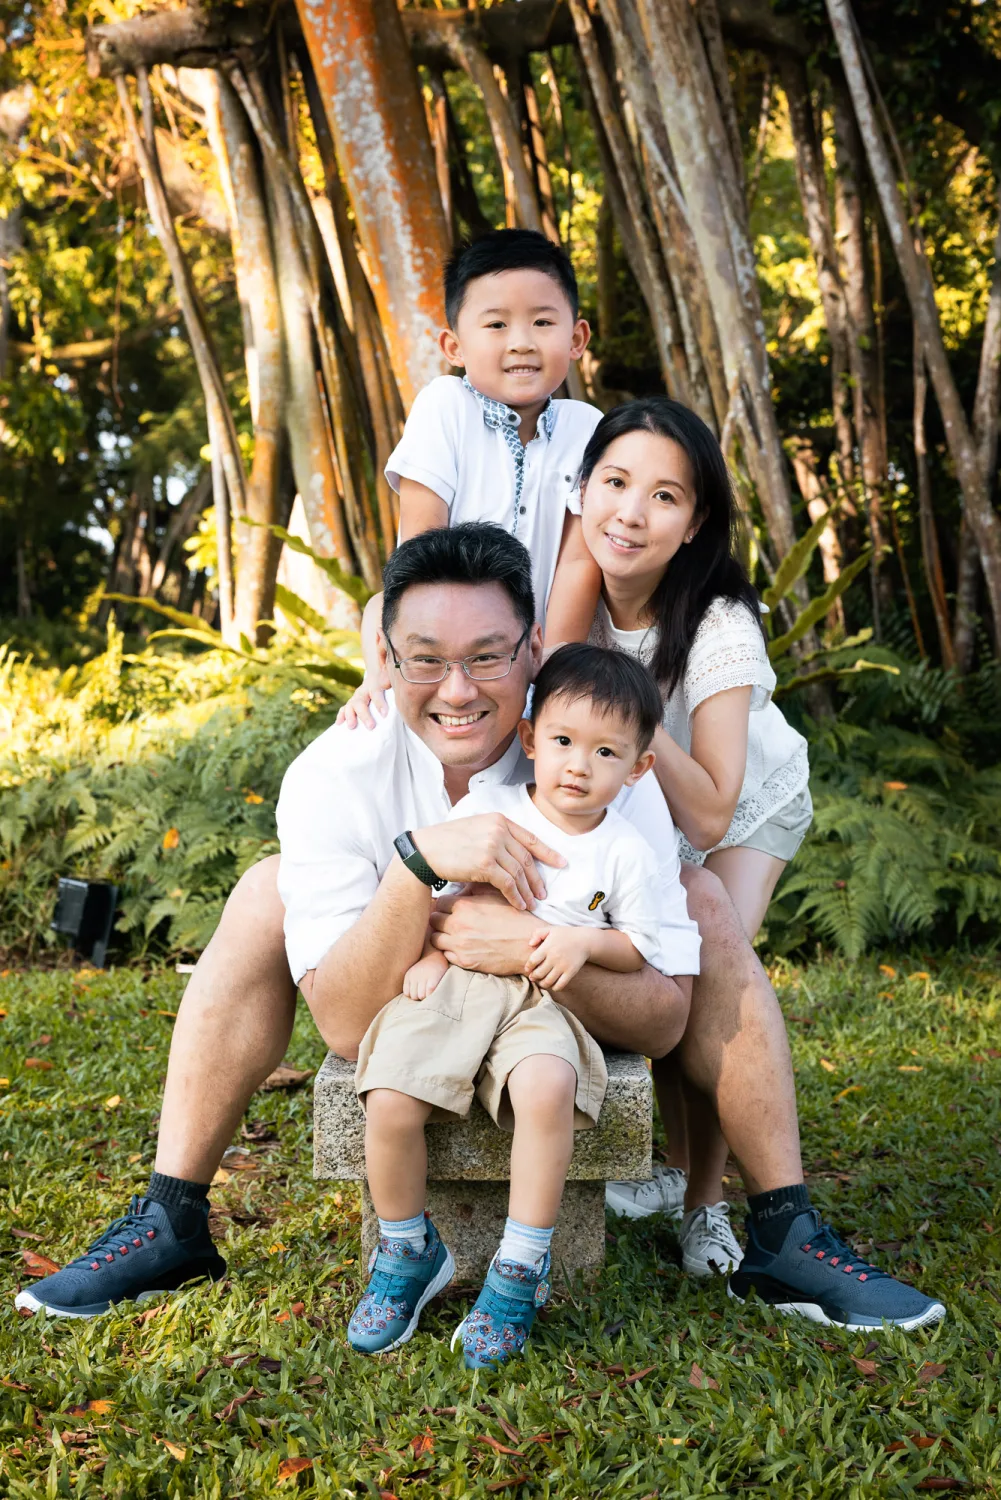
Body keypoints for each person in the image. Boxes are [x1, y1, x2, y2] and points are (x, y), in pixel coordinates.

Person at [17, 525, 945, 1334]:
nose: (456, 689)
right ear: (386, 656)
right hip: (415, 1006)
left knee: (699, 896)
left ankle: (784, 1230)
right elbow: (345, 1024)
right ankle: (172, 1217)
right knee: (266, 889)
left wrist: (535, 953)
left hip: (557, 1006)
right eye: (424, 658)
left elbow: (663, 1019)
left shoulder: (596, 761)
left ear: (535, 650)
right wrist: (419, 867)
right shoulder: (335, 775)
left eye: (489, 657)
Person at [348, 643, 676, 1367]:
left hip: (544, 995)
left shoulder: (623, 850)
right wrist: (433, 956)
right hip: (461, 979)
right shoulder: (492, 806)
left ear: (638, 767)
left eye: (605, 752)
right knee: (391, 1095)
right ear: (530, 739)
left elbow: (639, 947)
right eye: (561, 741)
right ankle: (407, 1253)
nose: (578, 766)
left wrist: (580, 946)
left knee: (547, 1084)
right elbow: (452, 896)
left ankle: (519, 1267)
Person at [579, 400, 812, 1274]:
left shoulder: (717, 623)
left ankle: (704, 1204)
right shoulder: (572, 591)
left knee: (708, 971)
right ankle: (672, 1167)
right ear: (583, 489)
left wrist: (632, 717)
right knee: (655, 967)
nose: (632, 513)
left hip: (746, 802)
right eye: (615, 483)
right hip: (649, 805)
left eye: (664, 496)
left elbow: (713, 810)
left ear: (694, 523)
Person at [339, 227, 602, 731]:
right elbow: (419, 549)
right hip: (441, 640)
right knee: (381, 609)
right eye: (497, 324)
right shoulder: (445, 405)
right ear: (453, 345)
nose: (521, 342)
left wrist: (551, 676)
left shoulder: (587, 427)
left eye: (543, 321)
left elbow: (577, 563)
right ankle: (381, 692)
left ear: (576, 339)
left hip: (539, 648)